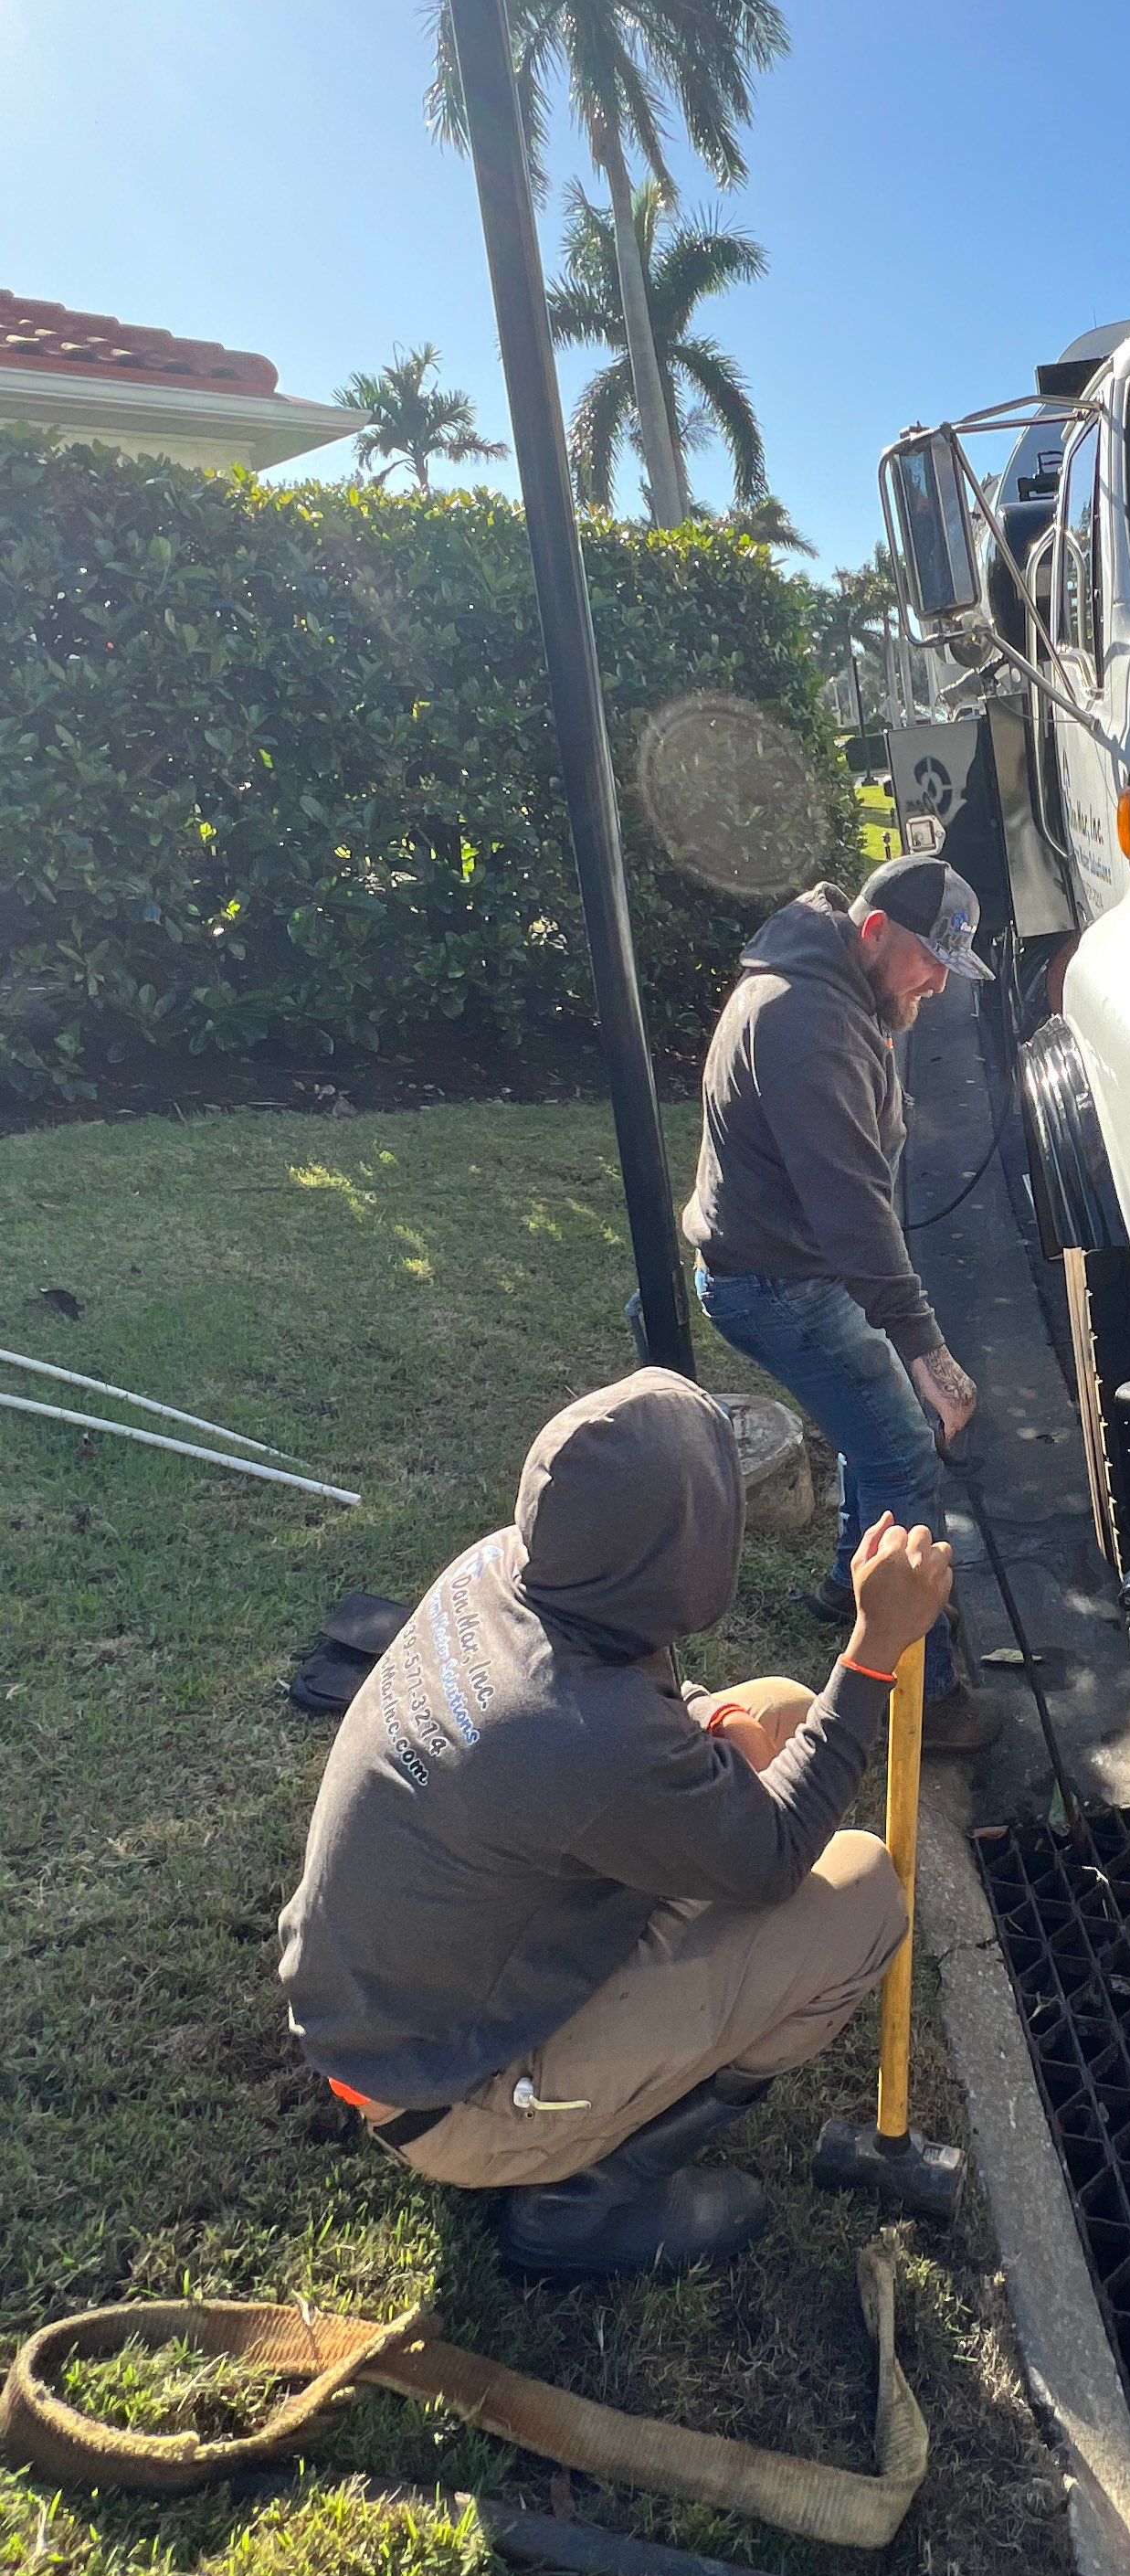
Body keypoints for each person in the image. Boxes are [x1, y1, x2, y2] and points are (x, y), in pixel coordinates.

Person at [278, 1368, 947, 2276]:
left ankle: (594, 2110)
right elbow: (778, 1853)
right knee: (862, 1893)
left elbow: (610, 1720)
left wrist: (707, 1717)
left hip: (396, 1999)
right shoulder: (579, 1738)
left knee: (784, 1711)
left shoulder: (505, 1566)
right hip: (446, 2093)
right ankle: (580, 2200)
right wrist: (873, 1653)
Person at [685, 852, 1005, 1754]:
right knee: (907, 1448)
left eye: (950, 967)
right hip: (776, 1283)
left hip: (791, 1265)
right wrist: (928, 1353)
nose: (939, 984)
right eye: (928, 961)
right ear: (871, 933)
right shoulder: (807, 1021)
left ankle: (842, 1587)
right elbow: (852, 1215)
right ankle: (927, 1700)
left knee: (879, 1428)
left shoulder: (838, 990)